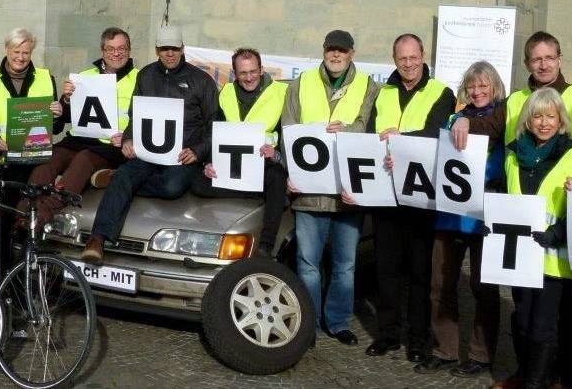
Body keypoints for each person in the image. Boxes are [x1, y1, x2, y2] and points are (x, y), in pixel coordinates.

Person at [454, 31, 572, 387]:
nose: (543, 64)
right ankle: (529, 374)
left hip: (559, 240)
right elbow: (486, 127)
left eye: (548, 57)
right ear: (526, 64)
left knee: (563, 316)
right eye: (536, 59)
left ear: (559, 58)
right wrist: (458, 120)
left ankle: (560, 376)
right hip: (521, 240)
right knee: (525, 316)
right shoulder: (517, 104)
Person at [81, 25, 218, 264]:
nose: (170, 53)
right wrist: (127, 139)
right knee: (126, 175)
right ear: (157, 50)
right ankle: (97, 239)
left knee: (172, 187)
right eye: (164, 48)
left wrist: (198, 151)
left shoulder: (202, 81)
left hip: (181, 155)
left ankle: (116, 181)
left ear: (182, 49)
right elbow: (136, 116)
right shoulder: (146, 75)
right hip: (147, 152)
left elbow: (214, 124)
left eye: (174, 48)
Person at [281, 29, 379, 345]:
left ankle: (337, 322)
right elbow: (288, 131)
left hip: (347, 194)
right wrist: (289, 173)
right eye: (331, 50)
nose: (336, 56)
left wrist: (347, 130)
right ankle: (308, 324)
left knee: (345, 267)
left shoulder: (369, 88)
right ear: (324, 52)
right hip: (309, 194)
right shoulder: (301, 84)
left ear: (351, 54)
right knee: (307, 265)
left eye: (342, 51)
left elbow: (371, 130)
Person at [363, 34, 456, 360]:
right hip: (386, 193)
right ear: (394, 58)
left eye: (413, 57)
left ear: (423, 56)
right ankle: (388, 334)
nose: (408, 64)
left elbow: (437, 134)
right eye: (402, 58)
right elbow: (370, 134)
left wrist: (402, 142)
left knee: (420, 274)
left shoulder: (441, 92)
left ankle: (418, 340)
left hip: (420, 195)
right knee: (385, 271)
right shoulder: (383, 92)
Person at [495, 88, 572, 389]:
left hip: (554, 259)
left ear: (561, 119)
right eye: (538, 116)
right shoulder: (513, 155)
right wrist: (493, 224)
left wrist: (557, 233)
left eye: (551, 116)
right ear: (528, 119)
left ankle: (538, 382)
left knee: (543, 327)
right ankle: (525, 374)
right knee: (521, 321)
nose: (544, 122)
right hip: (520, 256)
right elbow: (505, 197)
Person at [415, 61, 505, 377]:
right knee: (441, 285)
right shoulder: (453, 118)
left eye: (484, 86)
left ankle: (481, 353)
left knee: (484, 287)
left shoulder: (503, 119)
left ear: (495, 88)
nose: (477, 91)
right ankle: (445, 348)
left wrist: (465, 120)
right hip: (450, 214)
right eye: (472, 86)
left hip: (485, 215)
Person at [23, 27, 138, 227]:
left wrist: (128, 136)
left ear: (129, 50)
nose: (116, 53)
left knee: (83, 160)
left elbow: (145, 118)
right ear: (102, 51)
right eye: (110, 49)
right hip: (78, 139)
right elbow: (62, 120)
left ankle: (41, 216)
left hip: (110, 146)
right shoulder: (85, 75)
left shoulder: (140, 78)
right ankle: (23, 214)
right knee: (48, 157)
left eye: (122, 49)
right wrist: (66, 100)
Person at [191, 48, 288, 257]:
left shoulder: (281, 92)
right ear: (235, 73)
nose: (249, 77)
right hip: (233, 163)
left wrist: (276, 154)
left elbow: (288, 133)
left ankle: (266, 245)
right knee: (197, 182)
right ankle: (255, 192)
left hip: (265, 162)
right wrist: (208, 163)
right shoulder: (225, 92)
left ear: (261, 70)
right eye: (243, 73)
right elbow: (215, 131)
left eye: (253, 71)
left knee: (277, 178)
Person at [0, 28, 61, 238]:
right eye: (16, 51)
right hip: (0, 163)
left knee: (27, 223)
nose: (20, 57)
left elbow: (56, 128)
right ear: (6, 50)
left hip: (31, 166)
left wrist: (58, 114)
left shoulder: (46, 78)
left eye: (26, 52)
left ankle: (24, 269)